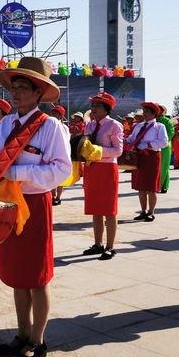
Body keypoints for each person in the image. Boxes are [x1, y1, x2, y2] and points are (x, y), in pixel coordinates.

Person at [0, 57, 71, 357]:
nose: (16, 93)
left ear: (38, 93)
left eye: (23, 88)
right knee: (17, 275)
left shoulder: (51, 127)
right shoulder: (6, 124)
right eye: (14, 87)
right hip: (6, 204)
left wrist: (19, 173)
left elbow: (62, 170)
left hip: (34, 206)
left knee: (37, 277)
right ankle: (21, 334)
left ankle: (38, 339)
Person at [79, 93, 124, 259]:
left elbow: (118, 151)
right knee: (95, 209)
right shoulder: (90, 125)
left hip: (107, 169)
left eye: (97, 106)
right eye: (93, 105)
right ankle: (97, 244)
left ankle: (110, 247)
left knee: (109, 210)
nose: (93, 109)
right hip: (92, 169)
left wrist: (98, 151)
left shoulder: (114, 125)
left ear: (107, 109)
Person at [124, 102, 168, 221]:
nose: (144, 113)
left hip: (152, 157)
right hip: (139, 156)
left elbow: (164, 142)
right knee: (141, 186)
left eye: (147, 111)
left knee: (151, 187)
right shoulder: (138, 126)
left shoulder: (159, 126)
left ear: (154, 114)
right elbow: (131, 139)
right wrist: (123, 140)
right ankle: (143, 211)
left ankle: (151, 212)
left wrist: (148, 145)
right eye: (144, 111)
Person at [49, 105, 69, 206]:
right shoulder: (48, 126)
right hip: (51, 154)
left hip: (61, 155)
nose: (53, 114)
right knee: (52, 177)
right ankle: (52, 197)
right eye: (52, 112)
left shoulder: (64, 127)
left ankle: (58, 197)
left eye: (56, 113)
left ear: (61, 116)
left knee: (60, 179)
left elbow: (66, 142)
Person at [157, 106, 175, 193]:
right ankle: (159, 185)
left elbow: (171, 132)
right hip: (154, 147)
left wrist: (163, 142)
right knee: (156, 166)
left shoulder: (166, 121)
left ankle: (162, 185)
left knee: (164, 166)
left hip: (165, 147)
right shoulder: (152, 120)